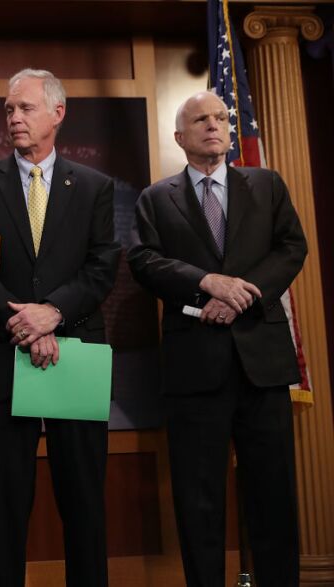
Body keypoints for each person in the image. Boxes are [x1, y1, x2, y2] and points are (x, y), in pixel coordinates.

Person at [128, 90, 306, 586]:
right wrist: (207, 282)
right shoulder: (155, 198)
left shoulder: (266, 185)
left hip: (262, 364)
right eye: (200, 120)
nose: (214, 125)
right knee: (199, 499)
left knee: (272, 495)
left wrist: (240, 296)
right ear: (180, 137)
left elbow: (293, 247)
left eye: (220, 118)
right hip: (194, 369)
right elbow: (144, 261)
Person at [0, 69, 120, 586]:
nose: (14, 118)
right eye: (9, 110)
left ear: (57, 113)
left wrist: (53, 312)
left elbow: (102, 266)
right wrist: (26, 320)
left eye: (25, 108)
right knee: (3, 506)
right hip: (5, 358)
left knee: (84, 501)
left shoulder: (93, 186)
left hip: (75, 354)